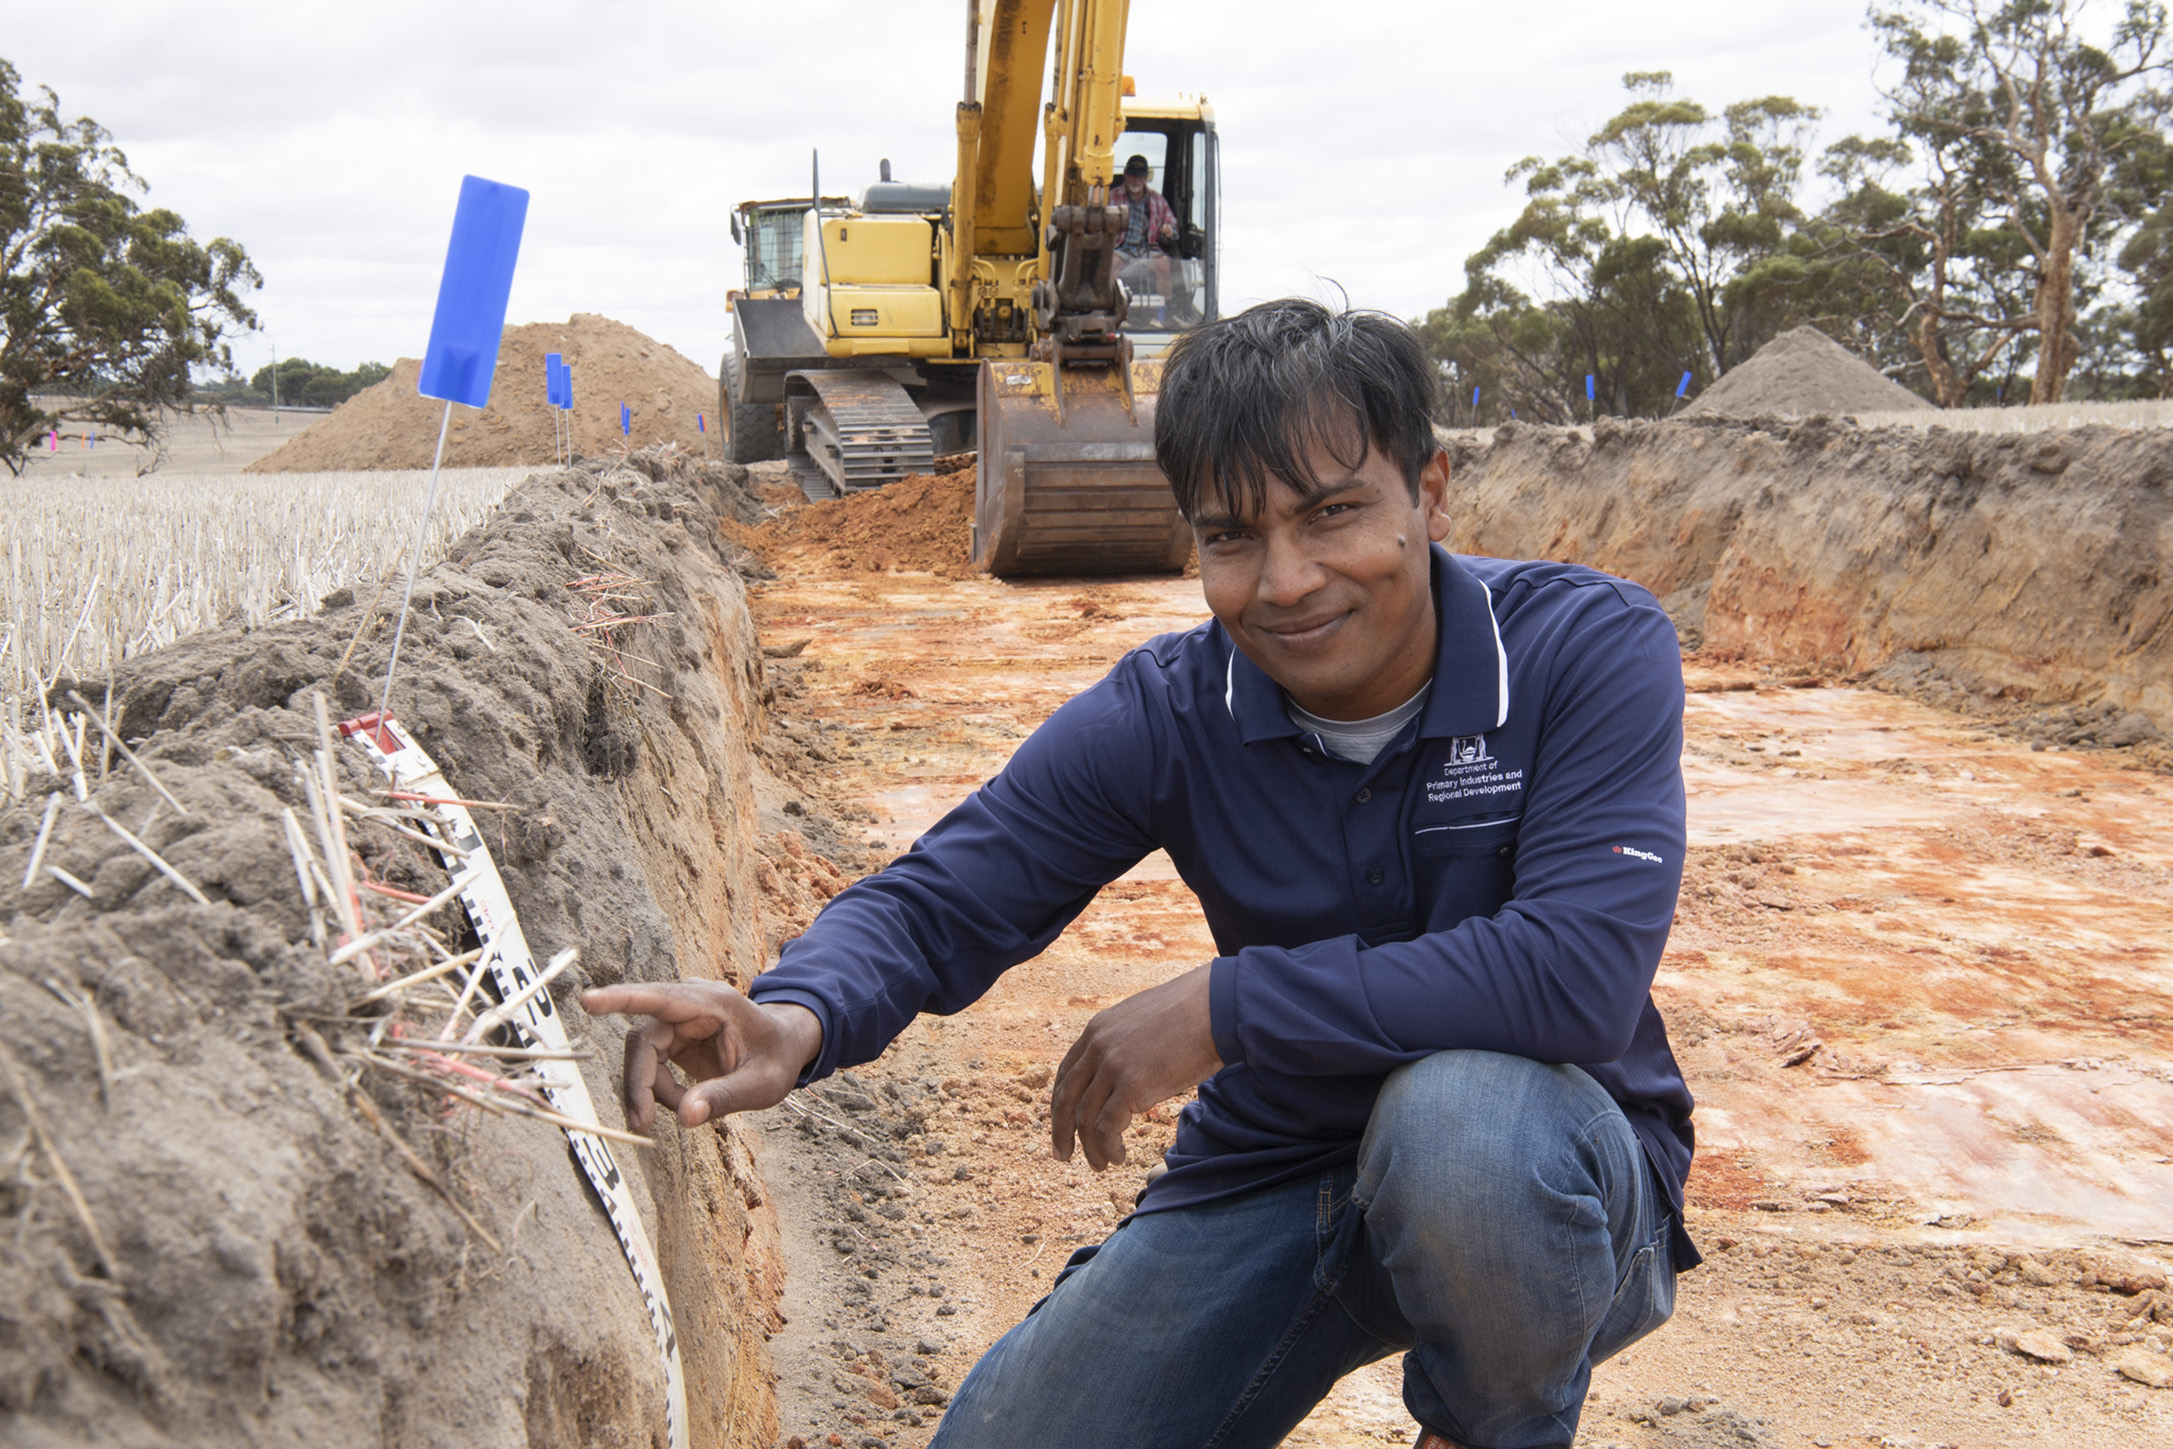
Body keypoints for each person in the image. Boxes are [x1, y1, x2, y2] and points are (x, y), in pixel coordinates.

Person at [583, 298, 1698, 1449]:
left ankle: (1482, 1427)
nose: (1287, 580)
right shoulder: (1172, 708)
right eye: (1232, 537)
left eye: (1332, 514)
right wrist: (797, 1012)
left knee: (1459, 1126)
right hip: (1288, 1160)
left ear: (1430, 490)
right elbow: (950, 894)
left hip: (1551, 1187)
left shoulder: (1581, 648)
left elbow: (1573, 978)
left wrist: (1229, 1006)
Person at [1113, 151, 1182, 322]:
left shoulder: (1157, 200)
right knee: (1108, 266)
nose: (1136, 180)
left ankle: (1163, 317)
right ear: (1125, 175)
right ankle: (1111, 314)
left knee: (1164, 264)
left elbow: (1173, 228)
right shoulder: (1111, 197)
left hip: (1148, 249)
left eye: (1140, 176)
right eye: (1133, 175)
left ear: (1146, 177)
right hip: (1121, 248)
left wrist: (1168, 230)